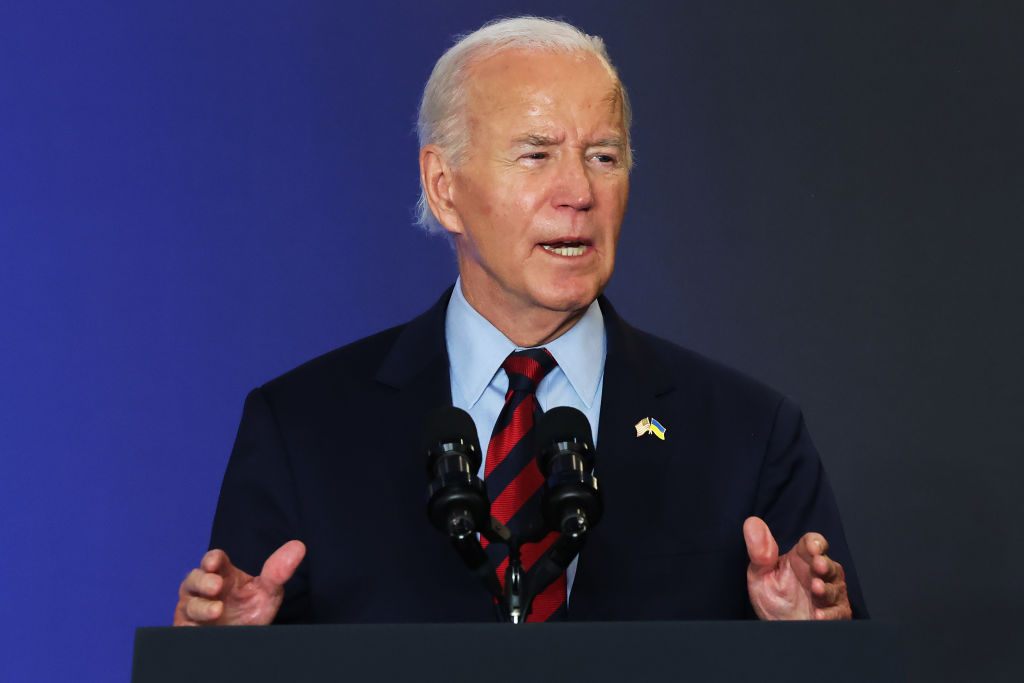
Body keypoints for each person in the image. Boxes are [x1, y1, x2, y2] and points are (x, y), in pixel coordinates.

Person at [174, 16, 863, 627]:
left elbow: (838, 654)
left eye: (603, 156)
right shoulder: (302, 429)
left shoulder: (748, 434)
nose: (579, 193)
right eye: (537, 154)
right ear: (444, 187)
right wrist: (215, 663)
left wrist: (815, 647)